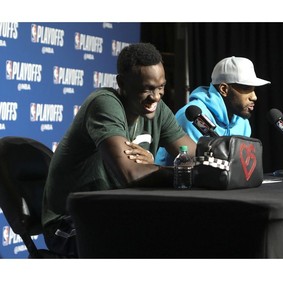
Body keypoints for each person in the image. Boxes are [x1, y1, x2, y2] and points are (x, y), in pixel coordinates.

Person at [42, 42, 196, 257]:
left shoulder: (158, 110)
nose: (156, 97)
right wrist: (179, 171)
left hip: (116, 211)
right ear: (122, 83)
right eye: (147, 89)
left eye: (161, 87)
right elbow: (130, 174)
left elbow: (193, 155)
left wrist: (164, 167)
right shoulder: (104, 103)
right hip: (71, 221)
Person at [155, 56, 271, 165]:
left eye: (253, 89)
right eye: (246, 88)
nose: (254, 97)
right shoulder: (193, 117)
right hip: (174, 184)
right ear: (224, 89)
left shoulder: (242, 120)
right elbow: (194, 166)